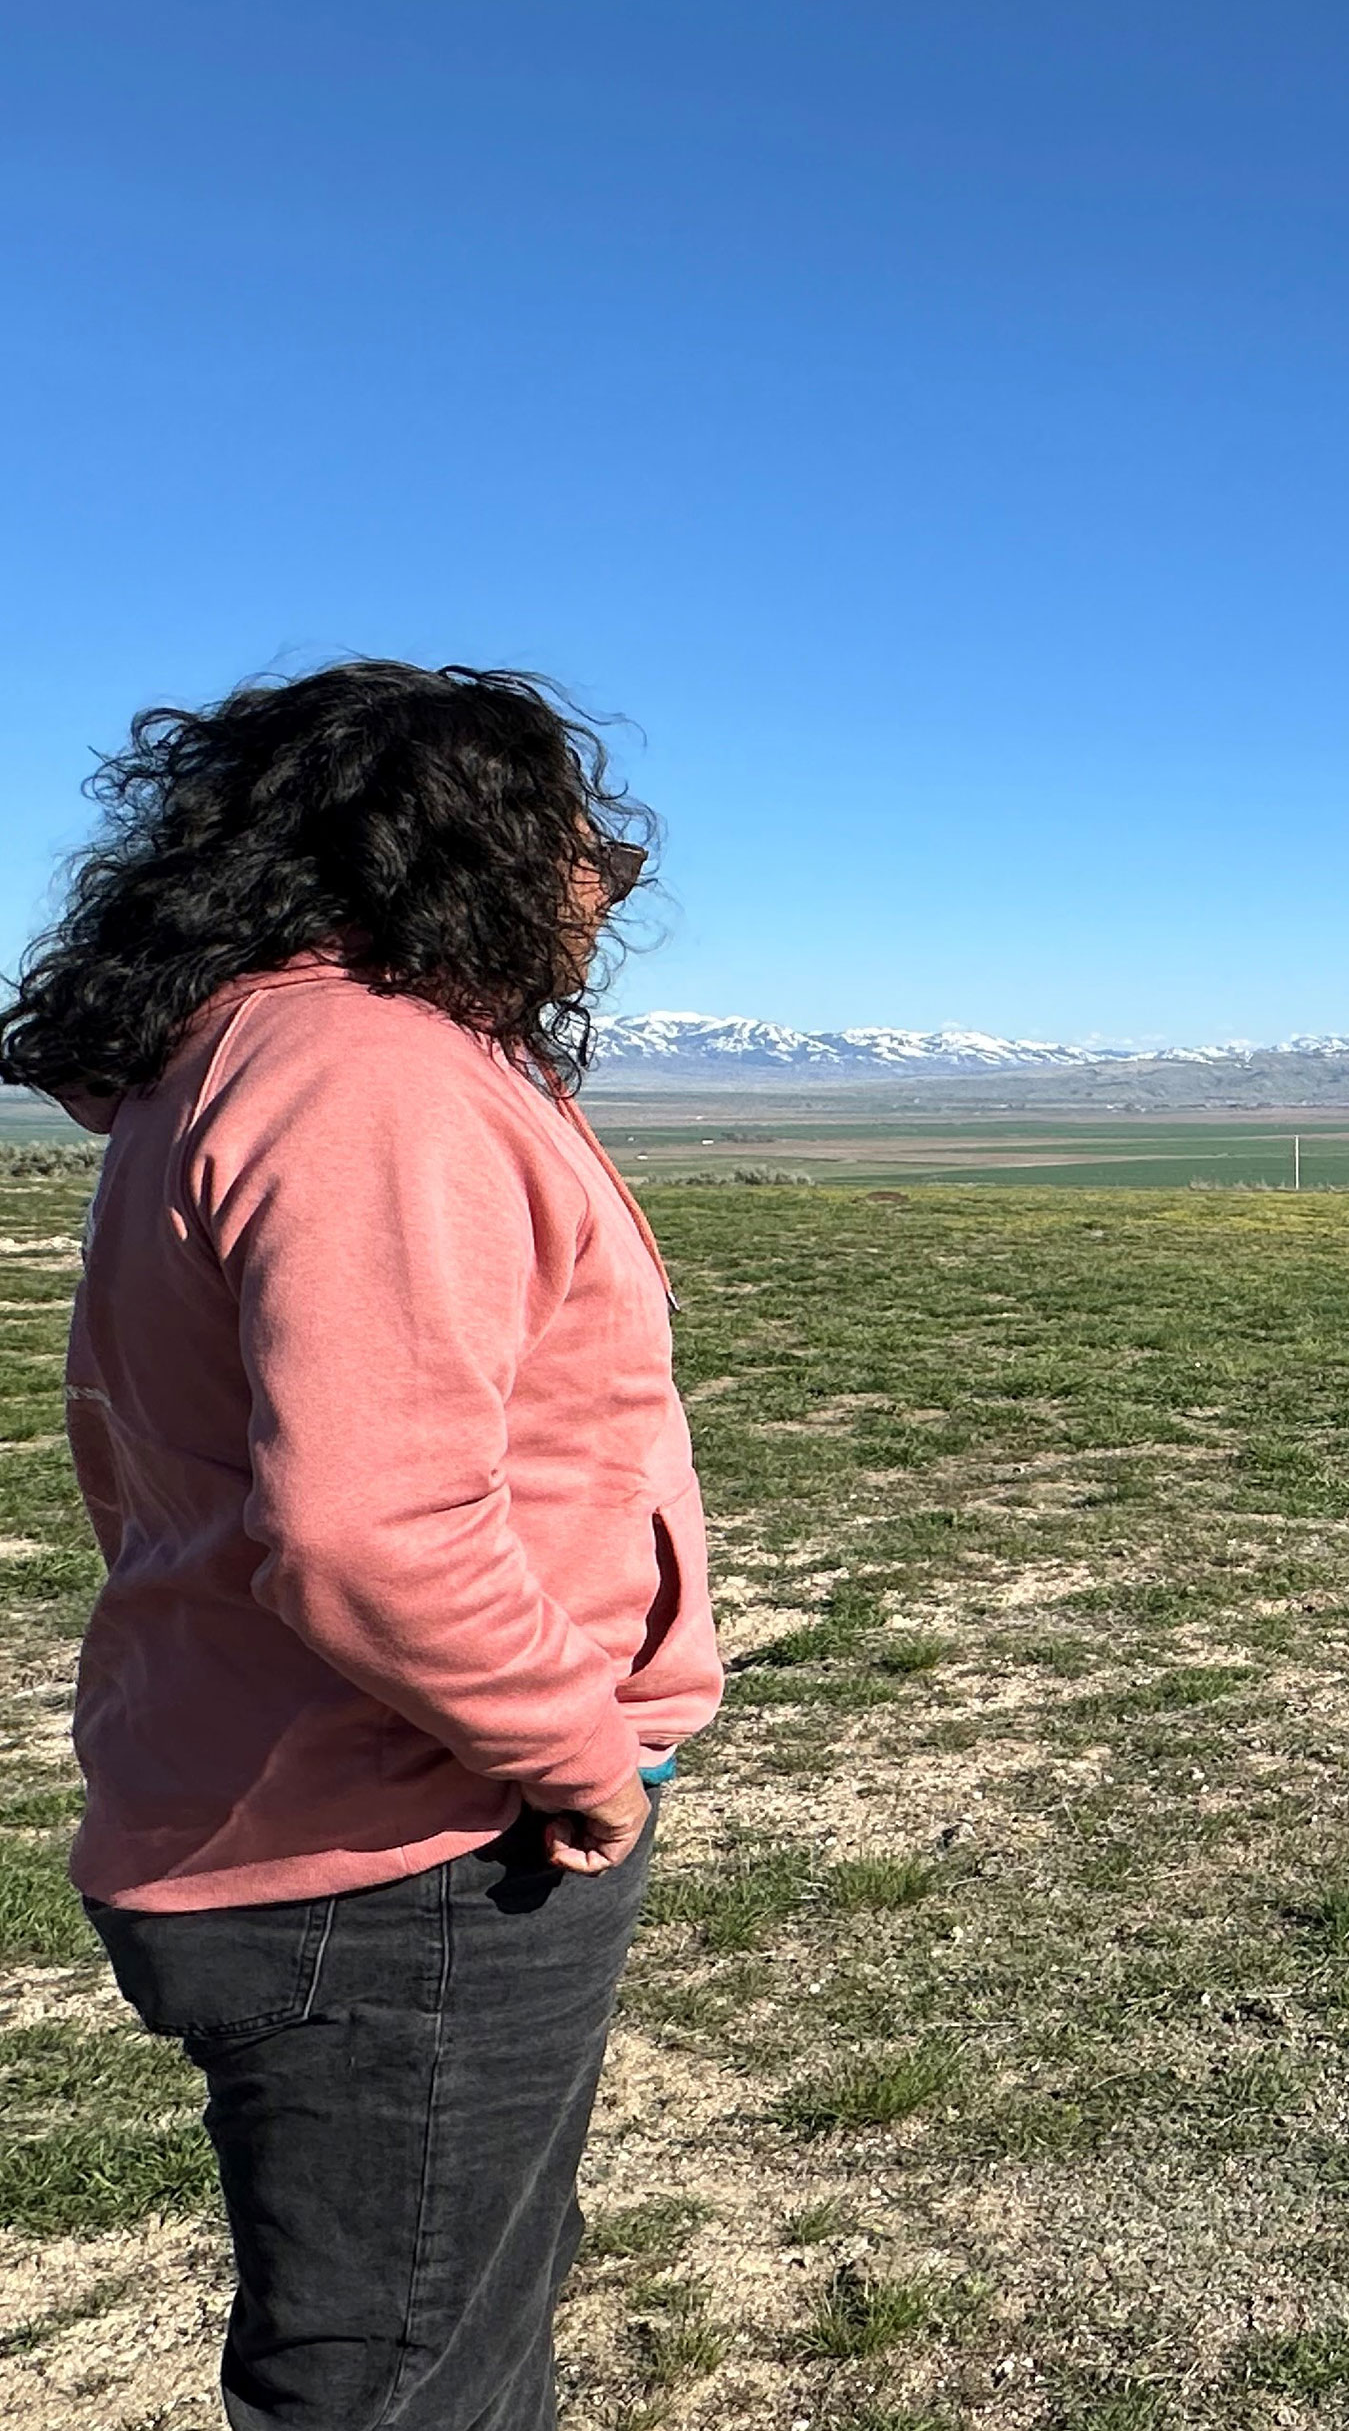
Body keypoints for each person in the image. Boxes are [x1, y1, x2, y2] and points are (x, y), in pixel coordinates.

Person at [1, 662, 722, 2431]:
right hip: (405, 1837)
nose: (602, 887)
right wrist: (577, 1754)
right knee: (406, 2381)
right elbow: (370, 1528)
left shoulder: (266, 1050)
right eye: (581, 845)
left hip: (340, 1806)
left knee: (436, 2331)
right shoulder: (368, 1078)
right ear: (450, 843)